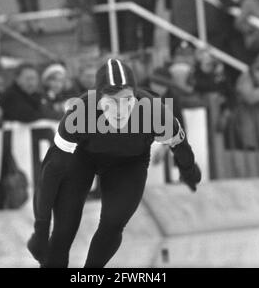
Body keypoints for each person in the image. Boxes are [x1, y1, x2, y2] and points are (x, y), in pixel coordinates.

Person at [27, 58, 201, 268]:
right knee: (64, 229)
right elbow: (51, 171)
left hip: (129, 164)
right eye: (111, 101)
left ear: (136, 97)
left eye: (126, 100)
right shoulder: (81, 111)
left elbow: (181, 146)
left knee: (113, 222)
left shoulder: (155, 112)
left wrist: (189, 171)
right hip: (84, 158)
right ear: (99, 99)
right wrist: (41, 228)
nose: (119, 111)